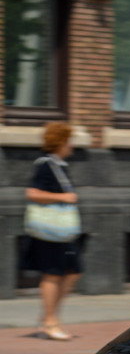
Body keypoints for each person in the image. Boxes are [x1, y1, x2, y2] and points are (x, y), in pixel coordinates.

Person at [22, 122, 81, 340]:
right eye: (69, 141)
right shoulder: (45, 165)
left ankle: (49, 316)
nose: (72, 146)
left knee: (73, 272)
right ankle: (49, 321)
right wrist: (63, 198)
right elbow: (32, 193)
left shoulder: (58, 165)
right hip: (49, 230)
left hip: (62, 231)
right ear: (61, 142)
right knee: (52, 273)